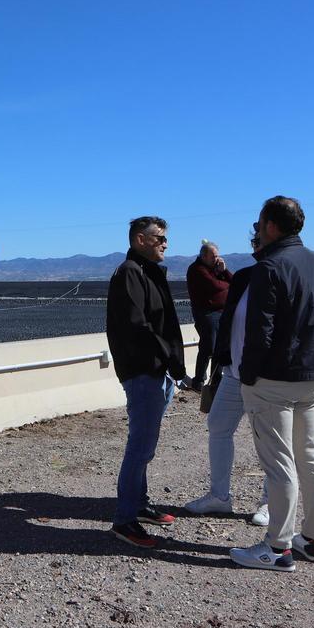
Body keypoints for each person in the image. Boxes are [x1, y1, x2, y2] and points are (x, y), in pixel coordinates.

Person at [229, 196, 314, 572]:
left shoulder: (270, 267)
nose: (257, 230)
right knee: (310, 456)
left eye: (260, 224)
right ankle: (313, 538)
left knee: (280, 465)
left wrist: (247, 373)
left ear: (271, 226)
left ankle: (277, 549)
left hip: (273, 380)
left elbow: (261, 332)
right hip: (313, 376)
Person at [106, 216, 188, 548]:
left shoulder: (148, 272)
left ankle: (138, 504)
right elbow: (138, 326)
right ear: (141, 239)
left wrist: (172, 365)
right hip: (143, 371)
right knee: (140, 447)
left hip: (159, 370)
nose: (165, 243)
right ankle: (124, 520)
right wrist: (169, 359)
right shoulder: (130, 273)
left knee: (146, 446)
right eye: (160, 238)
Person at [184, 225, 270, 525]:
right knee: (218, 425)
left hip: (266, 376)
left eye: (258, 241)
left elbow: (225, 290)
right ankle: (219, 496)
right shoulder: (245, 276)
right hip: (233, 371)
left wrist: (224, 273)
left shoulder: (280, 275)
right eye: (254, 241)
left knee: (270, 439)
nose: (254, 245)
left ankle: (269, 503)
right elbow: (224, 295)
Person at [186, 241, 233, 389]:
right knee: (208, 347)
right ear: (204, 256)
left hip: (221, 312)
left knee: (220, 347)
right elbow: (215, 286)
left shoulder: (216, 269)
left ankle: (216, 381)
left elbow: (233, 281)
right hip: (206, 313)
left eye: (217, 256)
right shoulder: (197, 270)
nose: (216, 259)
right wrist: (226, 285)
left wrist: (224, 271)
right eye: (213, 257)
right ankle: (199, 380)